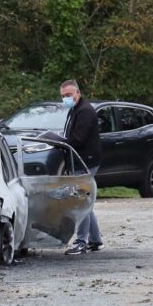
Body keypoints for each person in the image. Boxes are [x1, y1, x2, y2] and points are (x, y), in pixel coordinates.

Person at [59, 80, 105, 256]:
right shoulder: (76, 109)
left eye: (68, 95)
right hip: (81, 160)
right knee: (85, 202)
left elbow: (78, 139)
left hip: (86, 161)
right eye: (63, 96)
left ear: (77, 93)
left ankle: (81, 242)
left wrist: (60, 142)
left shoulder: (84, 111)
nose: (65, 98)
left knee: (81, 202)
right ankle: (95, 240)